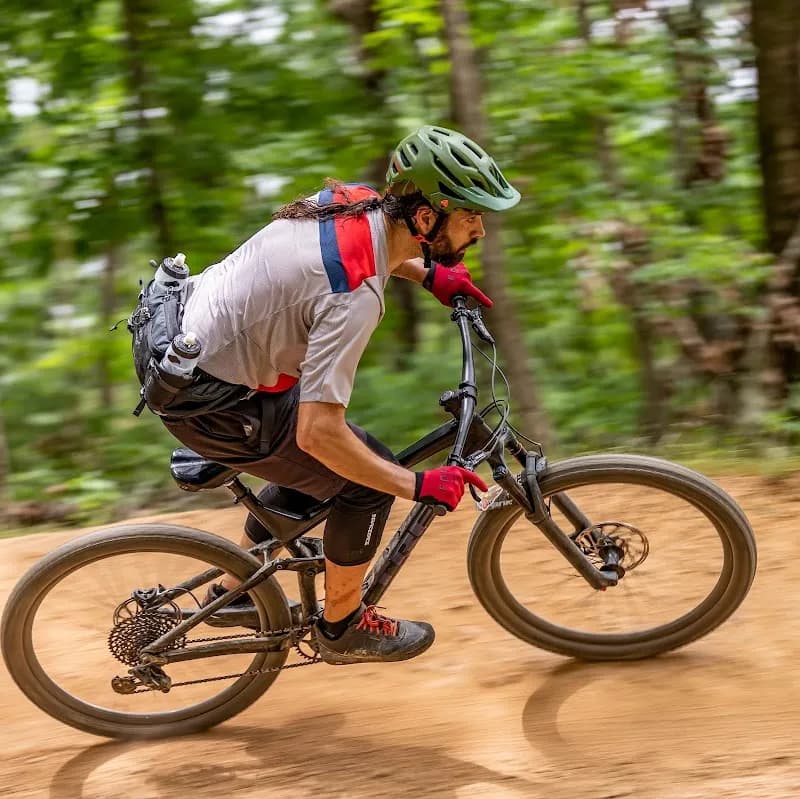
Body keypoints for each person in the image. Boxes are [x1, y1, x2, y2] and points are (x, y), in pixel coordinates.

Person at [161, 125, 521, 665]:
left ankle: (235, 594)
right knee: (367, 484)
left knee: (353, 457)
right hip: (213, 402)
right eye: (470, 216)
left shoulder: (351, 203)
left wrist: (428, 275)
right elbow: (317, 432)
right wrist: (417, 484)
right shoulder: (353, 298)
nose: (481, 231)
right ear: (425, 218)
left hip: (190, 350)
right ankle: (342, 627)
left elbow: (373, 252)